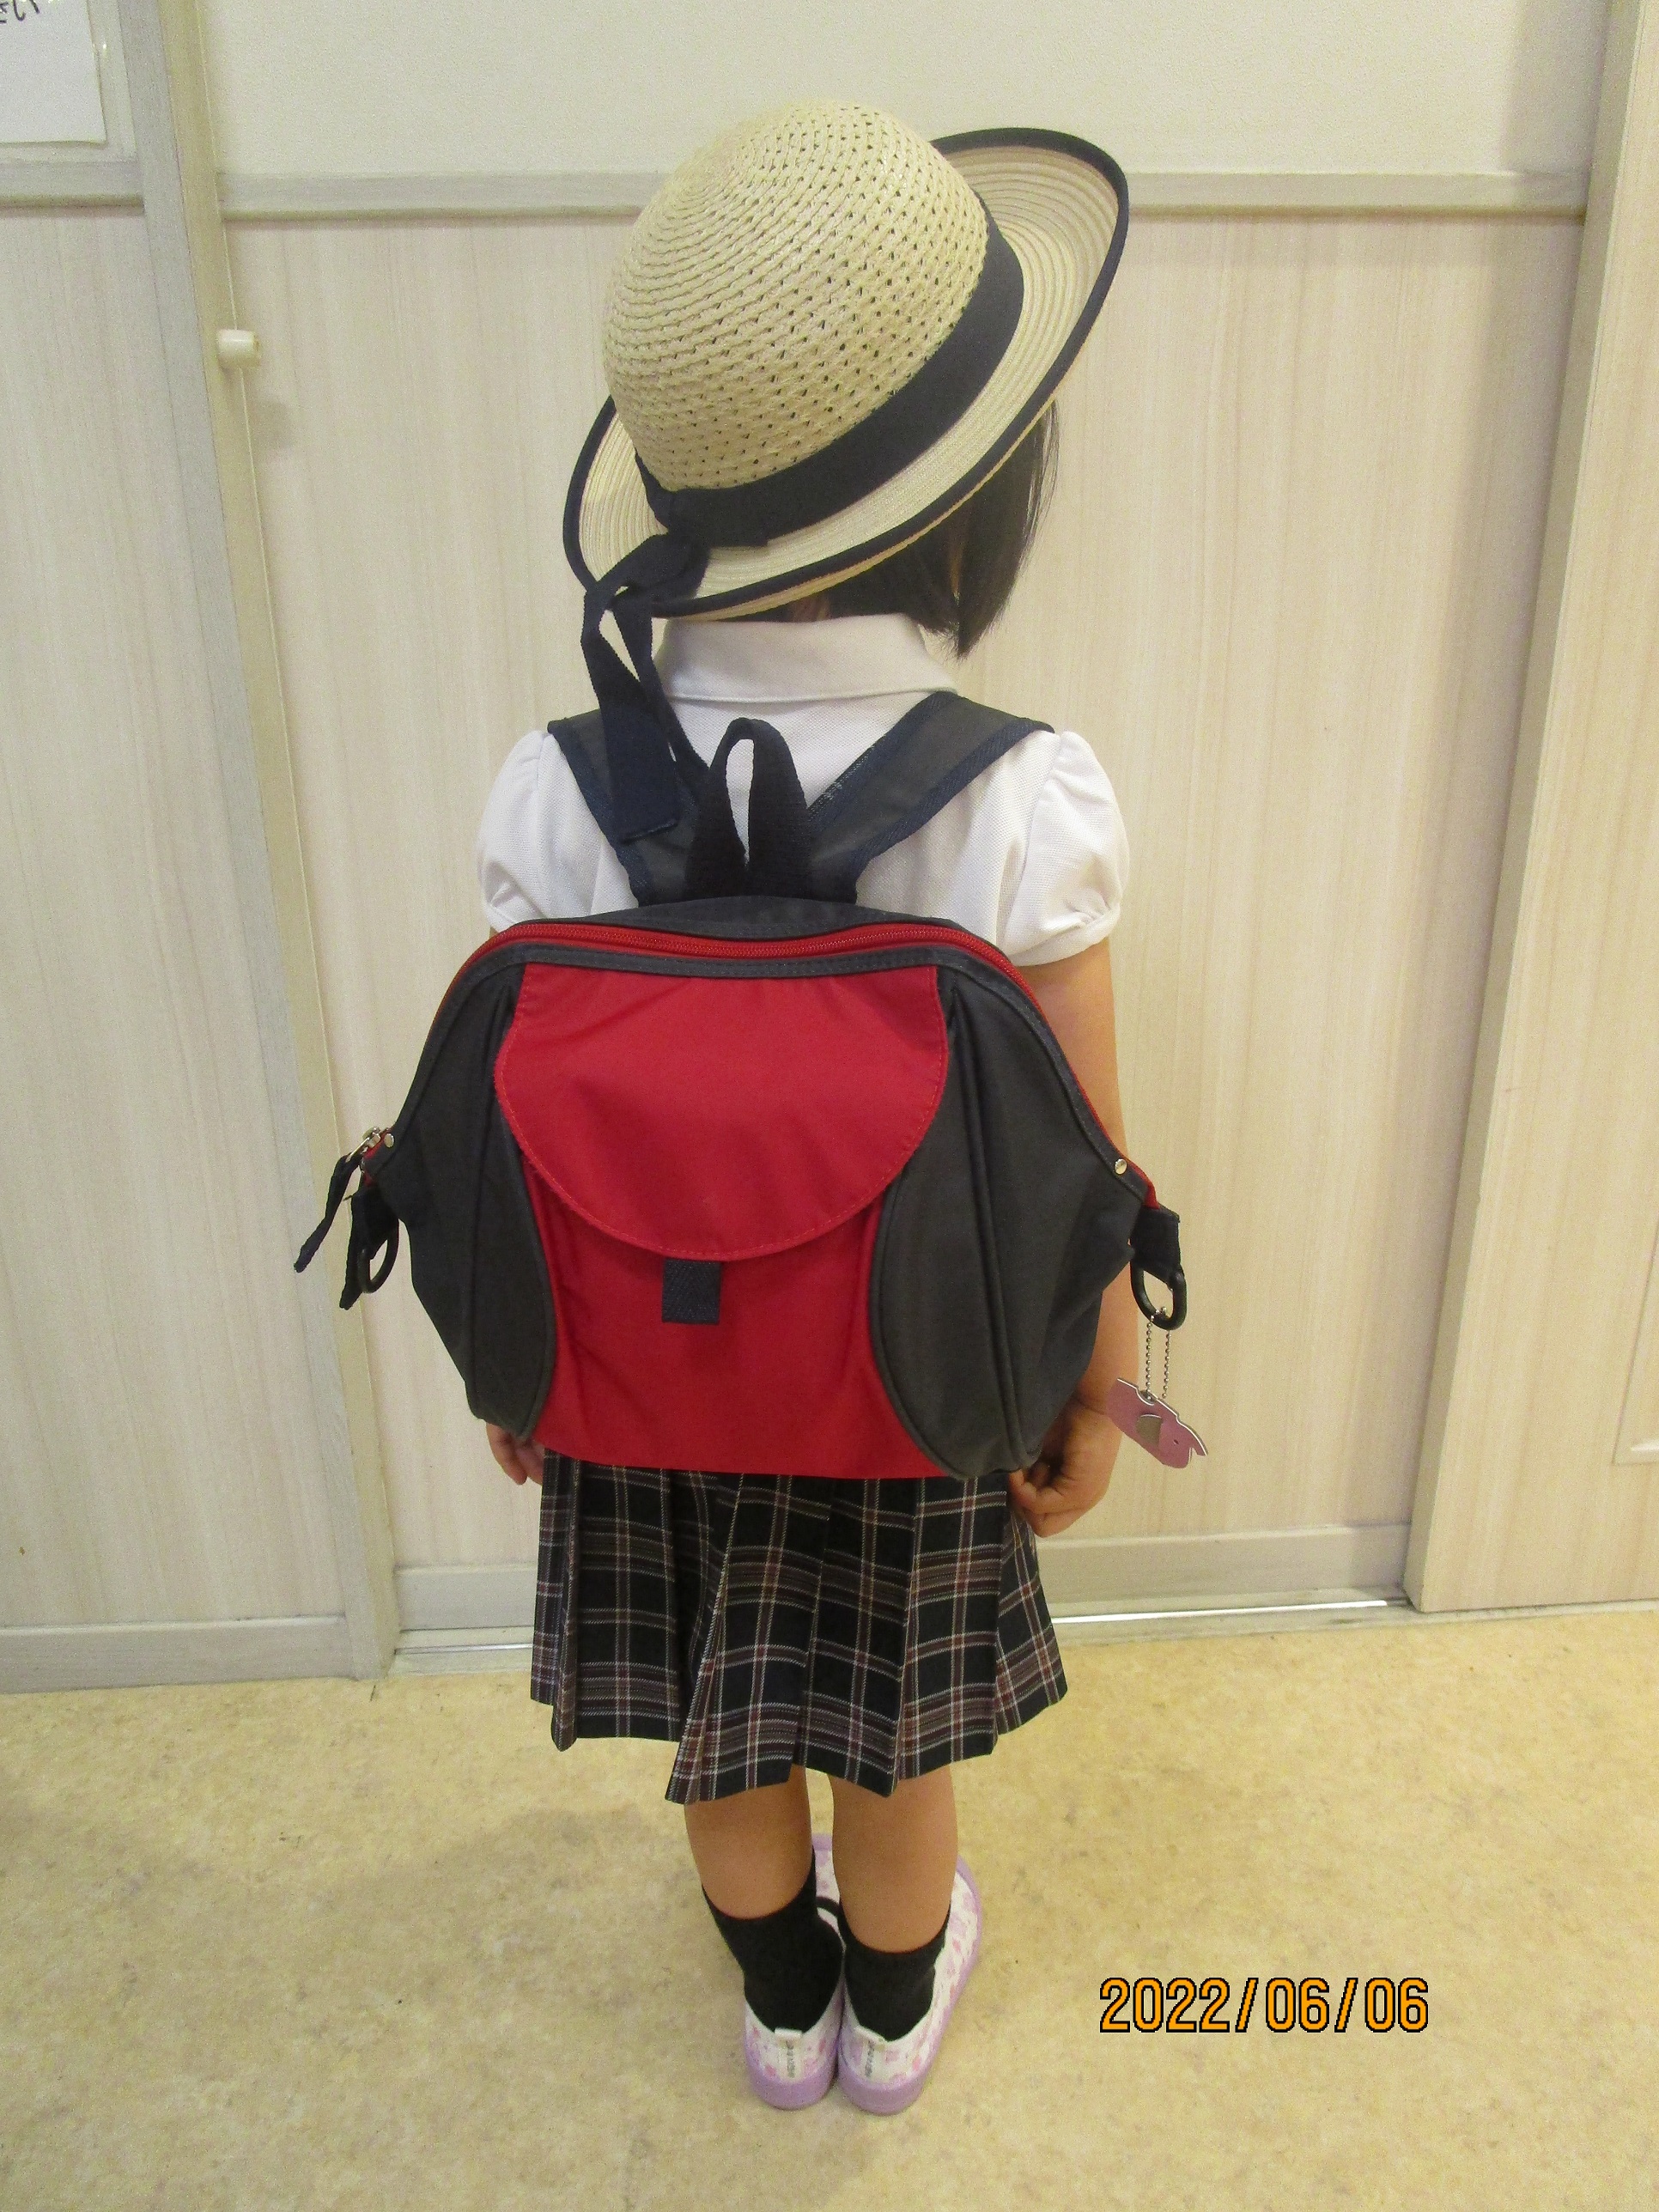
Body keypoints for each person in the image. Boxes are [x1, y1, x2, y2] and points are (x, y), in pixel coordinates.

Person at [473, 100, 1138, 2115]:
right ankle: (895, 2009)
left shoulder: (554, 783)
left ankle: (781, 2010)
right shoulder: (1023, 792)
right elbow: (1091, 1161)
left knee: (723, 1726)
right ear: (977, 500)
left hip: (640, 1377)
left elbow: (511, 1127)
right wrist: (1099, 1385)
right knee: (891, 1739)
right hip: (913, 1370)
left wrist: (516, 1367)